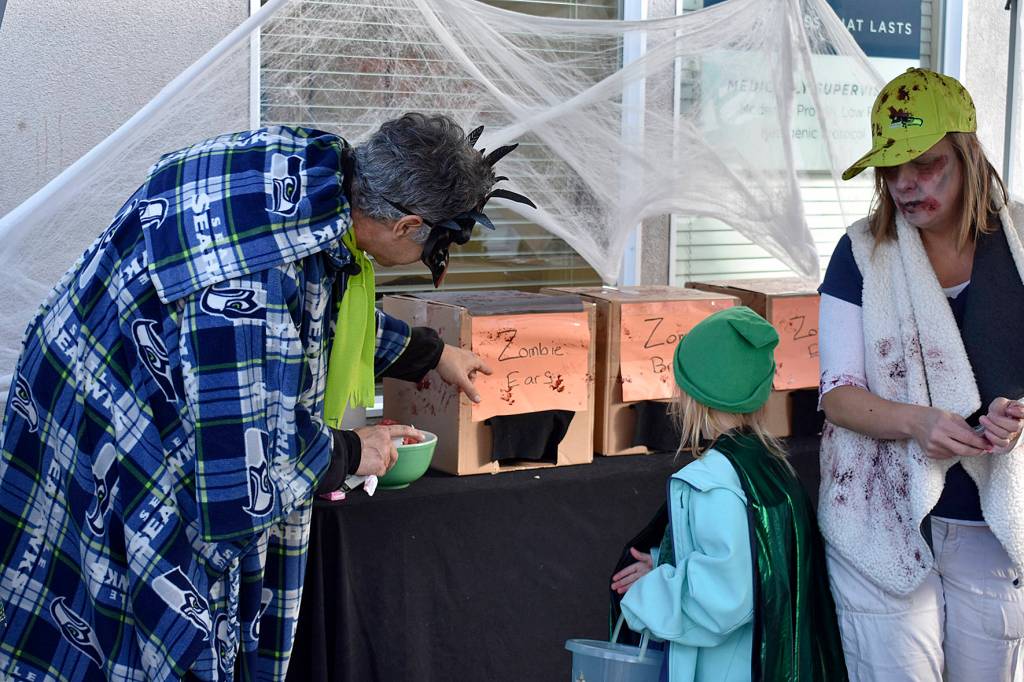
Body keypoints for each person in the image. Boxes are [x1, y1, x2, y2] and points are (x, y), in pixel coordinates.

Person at [0, 113, 534, 680]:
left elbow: (313, 310)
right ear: (405, 225)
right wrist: (354, 452)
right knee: (121, 622)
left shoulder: (314, 170)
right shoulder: (247, 281)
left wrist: (429, 355)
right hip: (113, 410)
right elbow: (242, 460)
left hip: (87, 361)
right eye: (431, 249)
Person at [818, 68, 1024, 681]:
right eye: (891, 169)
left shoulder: (1016, 242)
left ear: (967, 154)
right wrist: (919, 423)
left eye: (926, 164)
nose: (906, 186)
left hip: (991, 523)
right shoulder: (859, 253)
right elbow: (837, 395)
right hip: (884, 513)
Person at [611, 306, 846, 681]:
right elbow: (746, 562)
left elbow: (723, 597)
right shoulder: (770, 467)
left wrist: (650, 591)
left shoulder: (713, 484)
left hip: (729, 668)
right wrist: (666, 559)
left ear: (691, 396)